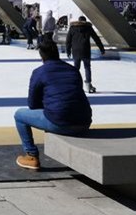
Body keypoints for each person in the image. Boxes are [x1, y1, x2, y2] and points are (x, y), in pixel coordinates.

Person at [13, 40, 92, 170]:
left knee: (19, 115)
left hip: (60, 122)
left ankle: (31, 155)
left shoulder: (40, 72)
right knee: (57, 109)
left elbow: (32, 104)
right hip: (84, 121)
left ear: (41, 55)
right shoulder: (72, 70)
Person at [65, 16, 106, 94]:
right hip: (85, 50)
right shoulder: (88, 28)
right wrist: (101, 48)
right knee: (87, 67)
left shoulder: (72, 28)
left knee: (76, 68)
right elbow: (96, 38)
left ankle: (75, 84)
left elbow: (68, 40)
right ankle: (88, 85)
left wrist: (68, 51)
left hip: (76, 51)